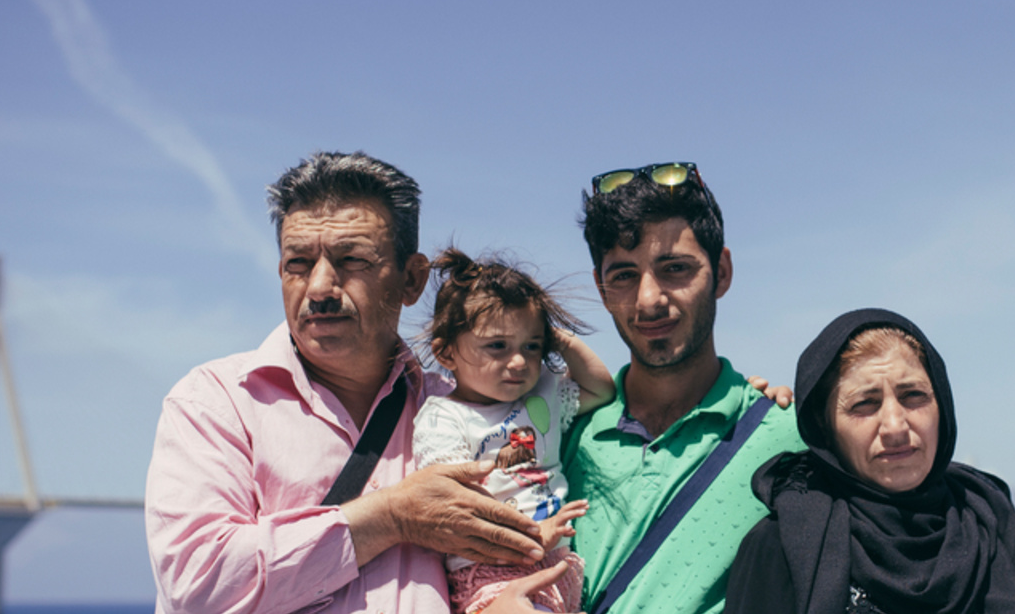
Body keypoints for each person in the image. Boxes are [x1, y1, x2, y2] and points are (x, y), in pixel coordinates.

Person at [146, 152, 549, 614]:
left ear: (412, 280)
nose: (319, 287)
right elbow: (198, 584)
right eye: (298, 263)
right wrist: (392, 516)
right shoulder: (214, 403)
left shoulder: (464, 409)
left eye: (351, 259)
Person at [559, 162, 809, 614]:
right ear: (601, 289)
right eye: (624, 276)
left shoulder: (791, 435)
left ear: (723, 272)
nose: (649, 299)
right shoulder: (562, 436)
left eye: (674, 268)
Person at [724, 308, 1015, 614]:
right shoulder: (784, 545)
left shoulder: (987, 520)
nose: (895, 427)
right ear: (824, 427)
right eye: (864, 404)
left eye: (913, 395)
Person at [414, 250, 617, 613]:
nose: (520, 361)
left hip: (556, 562)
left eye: (532, 346)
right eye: (497, 346)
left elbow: (602, 389)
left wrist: (560, 340)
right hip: (489, 566)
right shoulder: (444, 417)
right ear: (446, 355)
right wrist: (530, 535)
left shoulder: (543, 392)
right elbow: (456, 500)